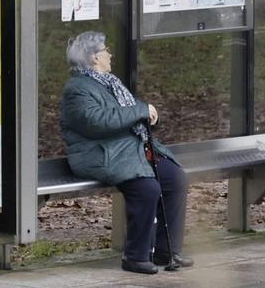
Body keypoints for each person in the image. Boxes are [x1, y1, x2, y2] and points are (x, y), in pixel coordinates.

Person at [60, 32, 192, 274]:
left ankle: (167, 251)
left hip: (127, 150)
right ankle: (136, 256)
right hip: (100, 154)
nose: (110, 54)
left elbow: (129, 116)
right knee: (147, 189)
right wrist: (141, 110)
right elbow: (97, 121)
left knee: (175, 178)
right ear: (93, 58)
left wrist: (150, 116)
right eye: (105, 50)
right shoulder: (77, 89)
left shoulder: (109, 83)